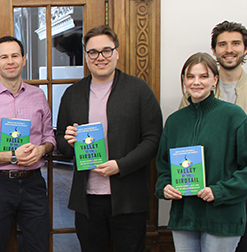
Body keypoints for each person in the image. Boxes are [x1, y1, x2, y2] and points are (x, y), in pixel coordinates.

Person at [179, 21, 247, 252]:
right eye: (222, 44)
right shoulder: (198, 88)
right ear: (214, 50)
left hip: (243, 190)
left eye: (236, 43)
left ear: (246, 48)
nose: (229, 49)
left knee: (244, 248)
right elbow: (183, 137)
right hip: (201, 189)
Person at [55, 25, 162, 252]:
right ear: (86, 56)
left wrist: (120, 166)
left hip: (128, 199)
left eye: (106, 50)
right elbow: (61, 143)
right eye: (93, 52)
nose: (100, 57)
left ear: (117, 53)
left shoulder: (139, 90)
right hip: (87, 200)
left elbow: (152, 140)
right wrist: (69, 140)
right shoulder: (73, 94)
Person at [157, 52, 247, 251]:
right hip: (185, 218)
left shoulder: (234, 116)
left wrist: (220, 191)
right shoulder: (174, 121)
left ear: (215, 80)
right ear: (184, 80)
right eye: (190, 76)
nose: (196, 82)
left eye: (203, 76)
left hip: (222, 218)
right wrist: (164, 186)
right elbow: (163, 167)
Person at [0, 36, 55, 252]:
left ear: (24, 60)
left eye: (15, 56)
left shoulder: (38, 96)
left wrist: (42, 149)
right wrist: (12, 156)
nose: (10, 61)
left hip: (33, 184)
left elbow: (50, 137)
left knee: (38, 246)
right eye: (4, 57)